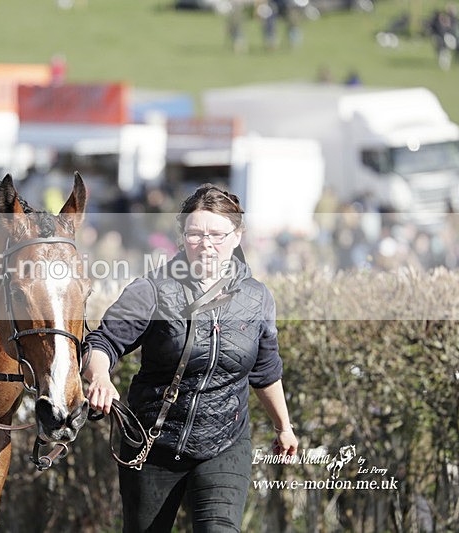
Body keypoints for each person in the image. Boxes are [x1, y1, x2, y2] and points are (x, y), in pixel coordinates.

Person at [84, 184, 298, 532]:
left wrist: (283, 427)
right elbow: (103, 341)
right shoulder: (152, 290)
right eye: (195, 233)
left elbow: (265, 370)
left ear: (237, 235)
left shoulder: (257, 298)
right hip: (154, 442)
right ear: (181, 237)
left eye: (217, 233)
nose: (206, 243)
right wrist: (101, 377)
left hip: (225, 443)